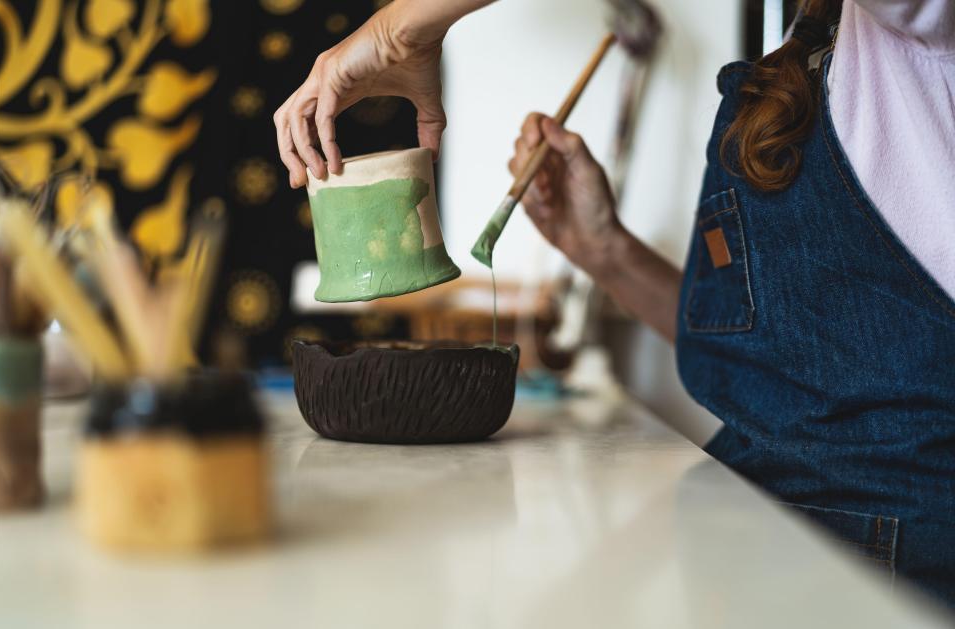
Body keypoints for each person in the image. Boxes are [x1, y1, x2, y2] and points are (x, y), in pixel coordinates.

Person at [275, 0, 955, 608]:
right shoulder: (823, 63)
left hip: (879, 573)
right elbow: (762, 361)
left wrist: (403, 28)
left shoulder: (926, 26)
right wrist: (604, 249)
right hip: (751, 537)